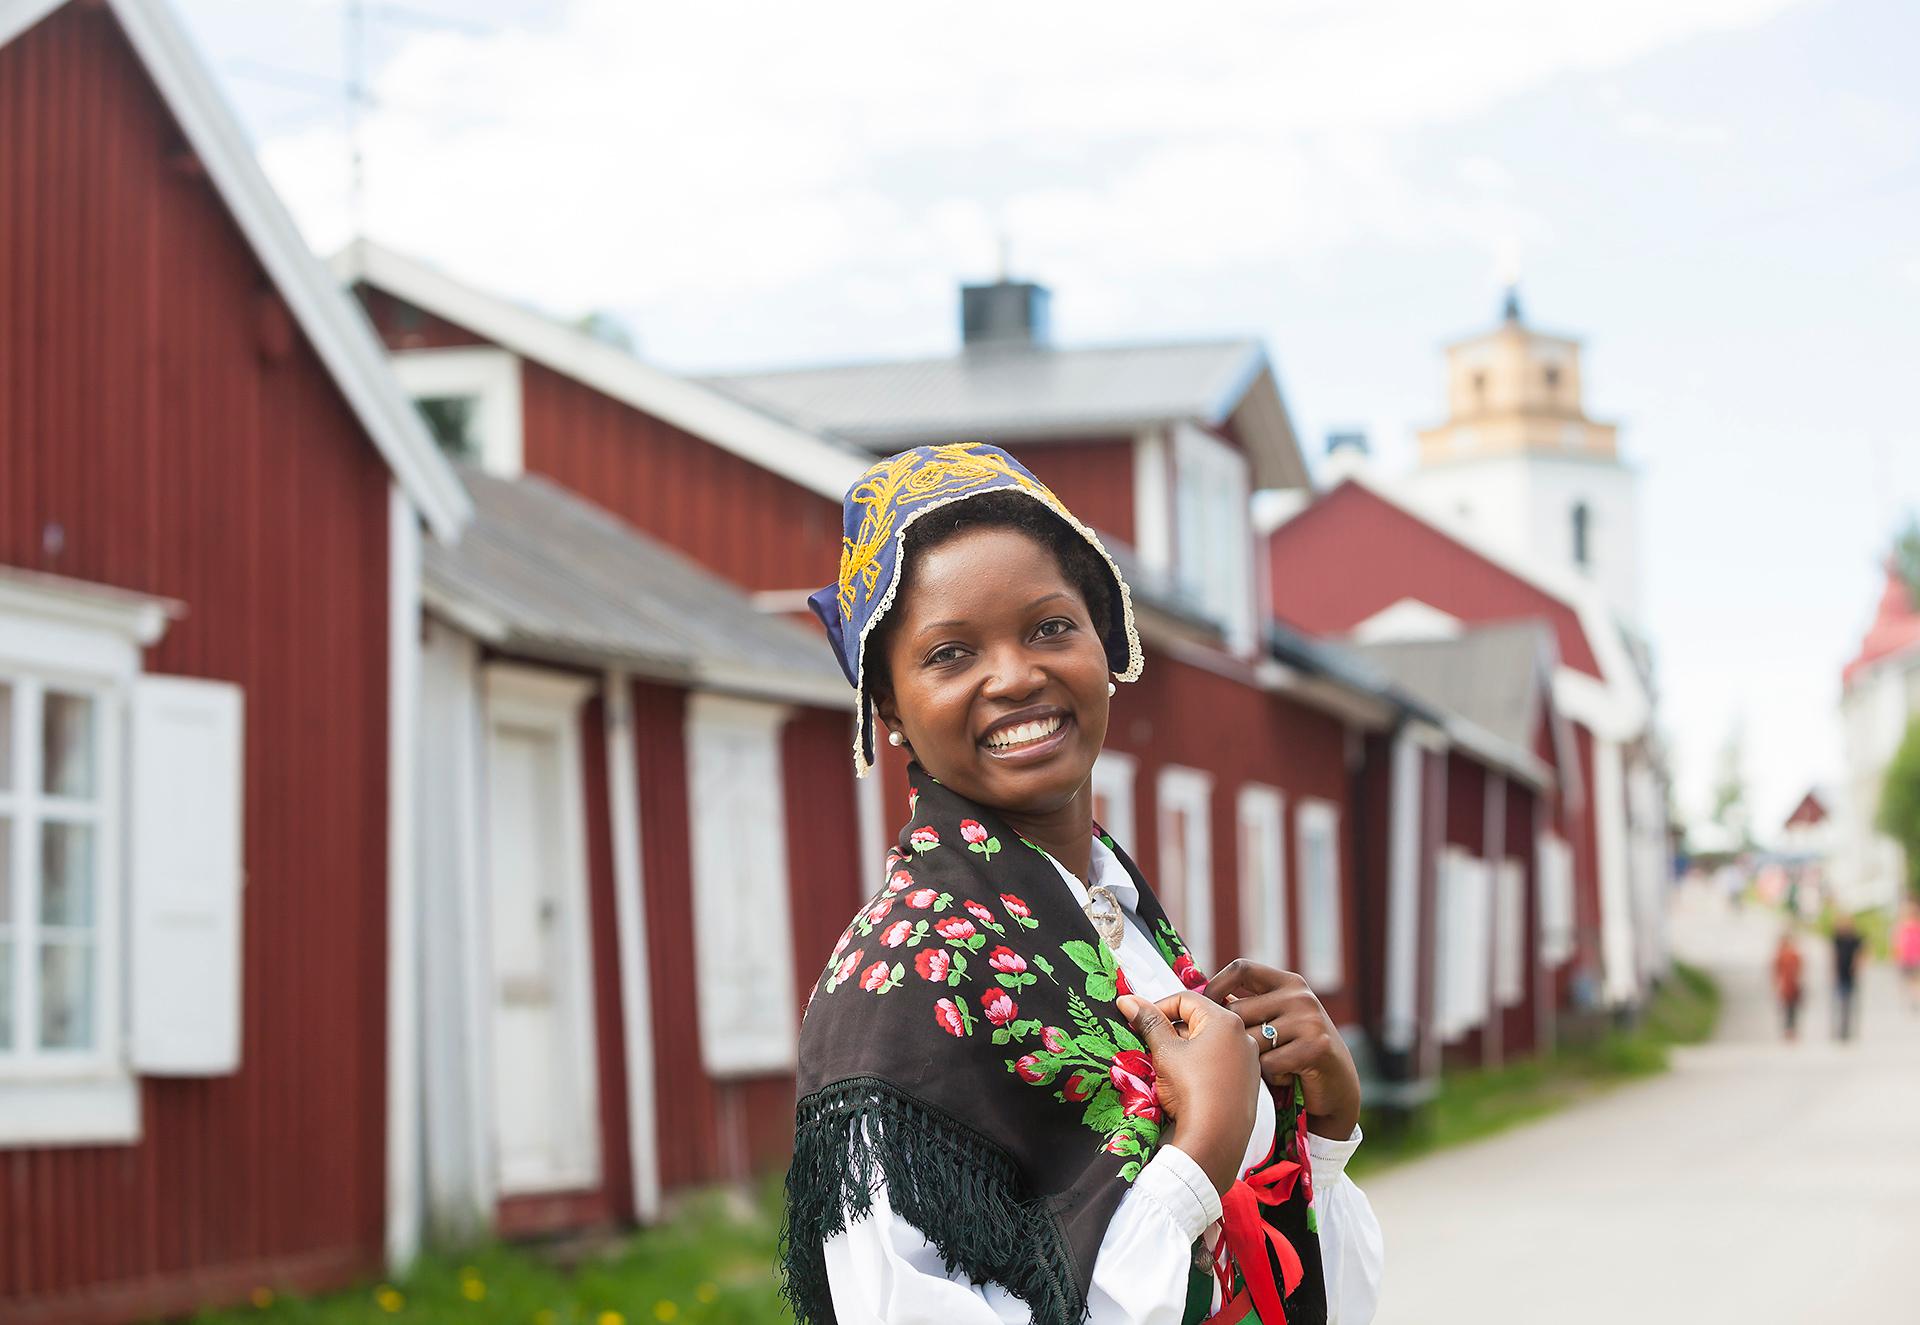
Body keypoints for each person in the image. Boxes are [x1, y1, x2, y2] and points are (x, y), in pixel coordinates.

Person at [783, 444, 1382, 1325]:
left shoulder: (1120, 929)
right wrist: (1199, 1155)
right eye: (950, 653)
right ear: (889, 707)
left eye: (1049, 627)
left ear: (1108, 642)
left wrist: (1322, 1136)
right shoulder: (900, 988)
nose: (1016, 675)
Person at [1831, 913, 1864, 1042]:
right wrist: (1833, 971)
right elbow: (1834, 955)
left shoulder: (1855, 938)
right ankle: (1841, 1029)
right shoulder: (1837, 938)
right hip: (1840, 973)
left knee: (1849, 1002)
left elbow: (1860, 953)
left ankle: (1847, 1029)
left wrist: (1857, 967)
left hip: (1851, 974)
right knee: (1840, 1002)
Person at [1772, 929, 1804, 1041]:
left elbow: (1800, 969)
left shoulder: (1795, 955)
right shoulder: (1780, 955)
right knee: (1786, 1008)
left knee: (1793, 1008)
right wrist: (1777, 983)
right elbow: (1776, 970)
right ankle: (1788, 1029)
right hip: (1785, 985)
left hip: (1793, 985)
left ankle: (1792, 1029)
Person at [1894, 900, 1920, 1012]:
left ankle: (1911, 1000)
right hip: (1912, 957)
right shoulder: (1914, 926)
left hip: (1908, 957)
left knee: (1909, 981)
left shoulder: (1903, 927)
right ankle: (1913, 999)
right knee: (1913, 981)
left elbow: (1898, 943)